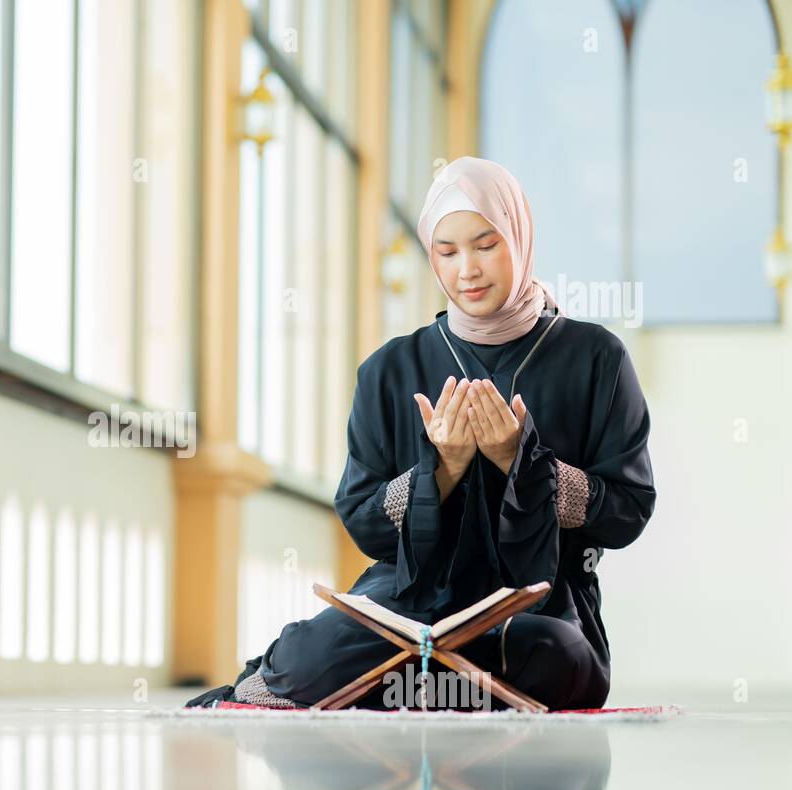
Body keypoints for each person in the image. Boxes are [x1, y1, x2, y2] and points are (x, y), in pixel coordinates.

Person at [187, 156, 656, 711]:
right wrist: (442, 470)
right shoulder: (389, 369)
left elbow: (626, 509)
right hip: (410, 596)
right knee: (313, 652)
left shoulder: (594, 357)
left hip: (539, 601)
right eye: (447, 251)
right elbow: (363, 519)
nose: (467, 270)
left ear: (519, 237)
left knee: (557, 657)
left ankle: (398, 682)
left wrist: (522, 462)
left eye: (486, 245)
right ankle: (449, 683)